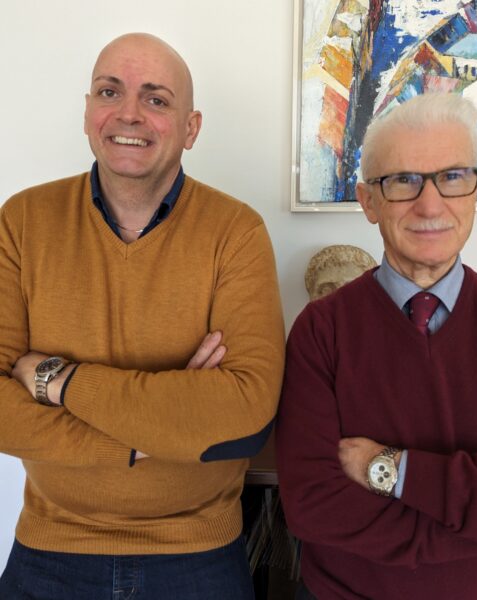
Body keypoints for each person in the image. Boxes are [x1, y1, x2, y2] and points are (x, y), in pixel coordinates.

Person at [0, 32, 285, 599]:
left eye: (156, 99)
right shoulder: (22, 222)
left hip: (198, 556)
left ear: (191, 128)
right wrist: (151, 434)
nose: (128, 113)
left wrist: (57, 380)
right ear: (88, 111)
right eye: (110, 91)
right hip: (50, 553)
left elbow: (246, 413)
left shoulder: (236, 232)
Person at [276, 92, 477, 599]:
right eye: (403, 180)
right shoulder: (320, 330)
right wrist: (465, 530)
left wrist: (387, 469)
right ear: (368, 201)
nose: (430, 204)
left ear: (474, 192)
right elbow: (313, 507)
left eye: (453, 176)